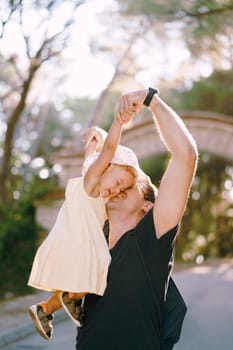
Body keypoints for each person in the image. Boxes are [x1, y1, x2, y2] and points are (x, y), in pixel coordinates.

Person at [75, 88, 198, 350]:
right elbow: (89, 181)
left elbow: (185, 156)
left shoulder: (152, 235)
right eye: (114, 183)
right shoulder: (95, 237)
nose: (116, 190)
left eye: (127, 186)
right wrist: (94, 145)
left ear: (146, 204)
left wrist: (150, 99)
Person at [27, 104, 144, 341]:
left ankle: (45, 309)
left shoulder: (97, 184)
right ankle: (71, 299)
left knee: (82, 276)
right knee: (101, 271)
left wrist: (94, 136)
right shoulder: (91, 180)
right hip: (78, 241)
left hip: (76, 241)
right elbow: (108, 151)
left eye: (123, 187)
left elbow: (90, 154)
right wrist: (117, 124)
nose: (118, 189)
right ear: (107, 166)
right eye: (119, 180)